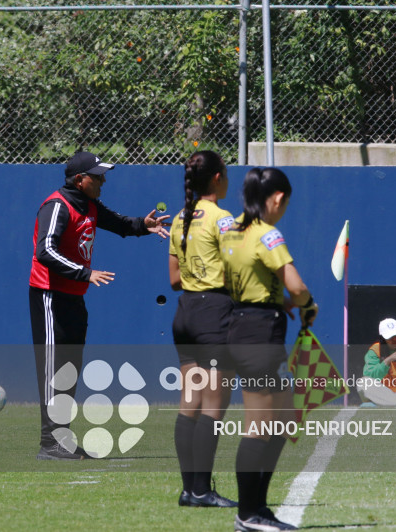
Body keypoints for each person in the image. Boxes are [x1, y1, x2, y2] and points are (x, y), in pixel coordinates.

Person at [29, 150, 170, 460]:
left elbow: (117, 223)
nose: (103, 180)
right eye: (97, 176)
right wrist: (86, 273)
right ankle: (49, 444)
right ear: (80, 180)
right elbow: (45, 252)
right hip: (50, 296)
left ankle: (60, 440)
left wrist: (141, 225)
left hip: (74, 296)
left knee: (68, 369)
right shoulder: (57, 206)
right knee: (54, 368)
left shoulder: (88, 203)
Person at [220, 167, 318, 532]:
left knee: (280, 420)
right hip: (260, 333)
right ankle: (248, 514)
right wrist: (306, 303)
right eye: (285, 203)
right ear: (276, 199)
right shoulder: (268, 234)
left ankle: (258, 508)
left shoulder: (231, 232)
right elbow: (297, 286)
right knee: (260, 426)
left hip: (242, 325)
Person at [169, 151, 237, 508]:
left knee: (189, 403)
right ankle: (201, 490)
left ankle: (189, 490)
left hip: (185, 314)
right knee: (214, 405)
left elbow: (174, 279)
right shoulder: (222, 218)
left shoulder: (181, 217)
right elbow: (236, 268)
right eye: (225, 173)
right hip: (214, 314)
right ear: (216, 178)